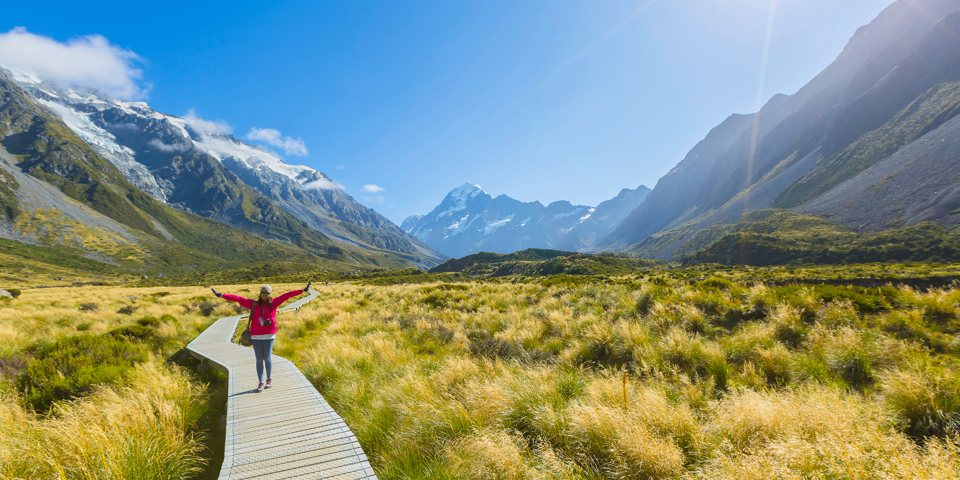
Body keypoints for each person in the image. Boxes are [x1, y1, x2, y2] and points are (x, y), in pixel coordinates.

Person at [211, 282, 311, 392]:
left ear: (270, 294)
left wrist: (303, 290)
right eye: (262, 292)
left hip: (269, 335)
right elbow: (238, 298)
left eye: (266, 293)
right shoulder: (253, 304)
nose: (264, 294)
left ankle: (269, 379)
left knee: (267, 358)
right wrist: (221, 295)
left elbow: (287, 295)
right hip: (256, 336)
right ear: (260, 293)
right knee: (259, 359)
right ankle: (261, 382)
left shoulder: (274, 303)